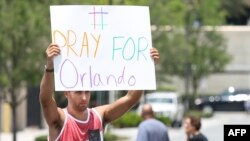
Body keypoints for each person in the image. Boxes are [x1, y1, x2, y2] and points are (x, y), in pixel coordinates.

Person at [39, 43, 159, 141]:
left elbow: (130, 98)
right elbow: (45, 99)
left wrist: (147, 67)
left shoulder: (98, 116)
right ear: (67, 93)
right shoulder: (59, 119)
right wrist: (50, 66)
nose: (84, 97)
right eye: (78, 92)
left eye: (87, 92)